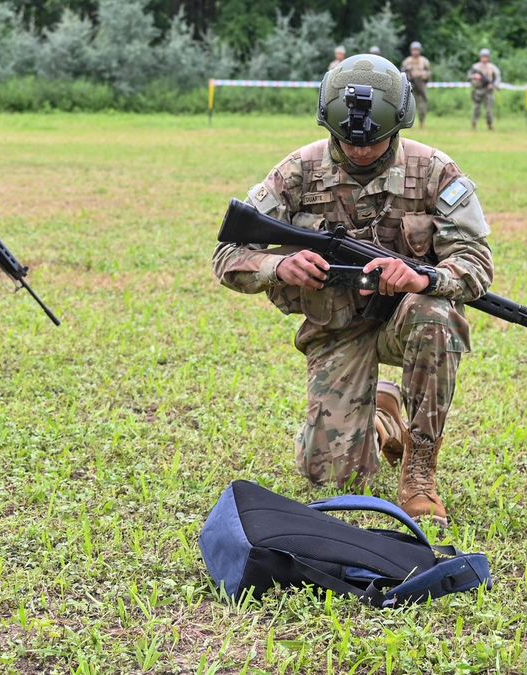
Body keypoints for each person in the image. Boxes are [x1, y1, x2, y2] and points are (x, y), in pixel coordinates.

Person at [212, 54, 494, 527]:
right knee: (332, 477)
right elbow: (227, 257)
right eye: (348, 141)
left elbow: (477, 263)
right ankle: (384, 412)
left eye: (375, 141)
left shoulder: (434, 171)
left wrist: (424, 278)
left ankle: (420, 471)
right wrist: (279, 265)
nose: (361, 151)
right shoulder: (299, 171)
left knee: (436, 314)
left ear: (399, 125)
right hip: (336, 327)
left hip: (406, 320)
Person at [468, 48, 501, 131]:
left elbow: (498, 78)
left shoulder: (492, 67)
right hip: (478, 90)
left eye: (486, 57)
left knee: (489, 110)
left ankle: (490, 124)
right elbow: (469, 76)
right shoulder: (476, 66)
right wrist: (474, 77)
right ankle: (474, 124)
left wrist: (493, 85)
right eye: (483, 57)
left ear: (489, 57)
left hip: (488, 90)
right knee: (476, 108)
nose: (484, 58)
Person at [401, 41, 431, 128]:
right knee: (410, 104)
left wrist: (423, 75)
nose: (415, 52)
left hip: (421, 83)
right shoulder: (407, 61)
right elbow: (402, 73)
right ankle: (410, 123)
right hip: (411, 84)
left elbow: (429, 73)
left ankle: (422, 122)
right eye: (414, 50)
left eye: (417, 50)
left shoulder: (424, 61)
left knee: (422, 104)